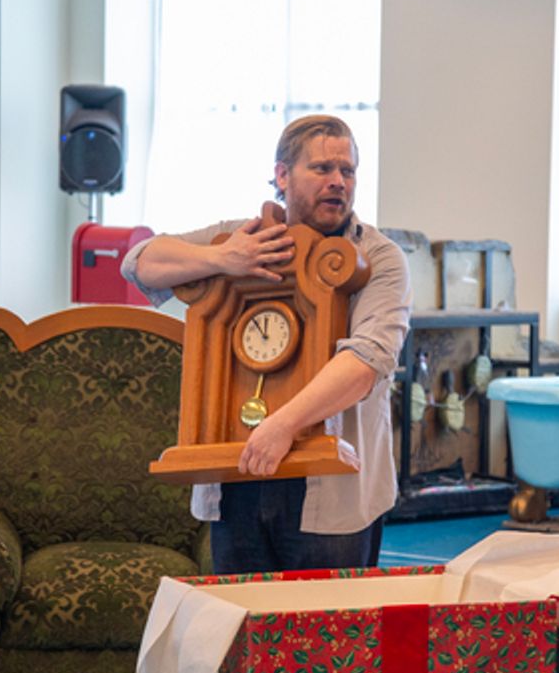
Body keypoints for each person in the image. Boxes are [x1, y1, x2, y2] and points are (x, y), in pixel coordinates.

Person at [121, 115, 410, 575]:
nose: (338, 182)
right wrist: (222, 258)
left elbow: (366, 361)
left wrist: (282, 426)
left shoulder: (380, 258)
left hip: (334, 489)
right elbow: (139, 262)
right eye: (321, 169)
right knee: (243, 631)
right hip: (236, 479)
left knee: (326, 638)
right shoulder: (243, 235)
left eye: (348, 171)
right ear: (281, 175)